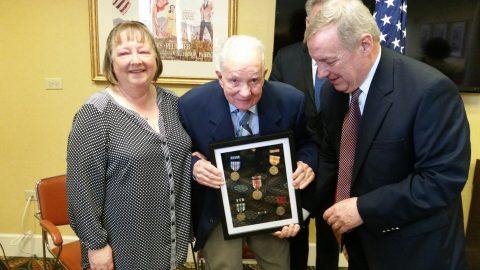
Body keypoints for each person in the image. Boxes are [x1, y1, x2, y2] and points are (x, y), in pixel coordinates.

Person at [304, 0, 471, 269]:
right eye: (316, 62)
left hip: (415, 252)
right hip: (361, 247)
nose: (322, 74)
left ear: (365, 45)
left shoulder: (430, 91)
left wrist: (363, 209)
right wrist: (297, 209)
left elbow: (441, 180)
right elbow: (332, 159)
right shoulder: (332, 93)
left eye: (329, 61)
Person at [178, 35, 318, 270]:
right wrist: (194, 165)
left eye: (254, 81)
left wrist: (306, 162)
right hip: (218, 207)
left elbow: (310, 143)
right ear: (219, 77)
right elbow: (179, 151)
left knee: (278, 266)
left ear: (264, 73)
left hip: (274, 205)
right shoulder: (191, 105)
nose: (245, 92)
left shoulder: (291, 100)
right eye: (234, 81)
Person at [66, 21, 192, 270]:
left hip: (169, 240)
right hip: (122, 245)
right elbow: (81, 188)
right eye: (124, 53)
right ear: (111, 62)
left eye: (144, 51)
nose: (136, 60)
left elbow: (188, 155)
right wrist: (96, 244)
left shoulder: (174, 105)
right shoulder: (96, 113)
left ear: (156, 58)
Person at [270, 0, 339, 269]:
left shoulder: (347, 61)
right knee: (294, 240)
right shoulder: (286, 58)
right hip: (298, 170)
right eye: (322, 21)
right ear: (308, 23)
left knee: (330, 240)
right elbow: (276, 120)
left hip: (338, 173)